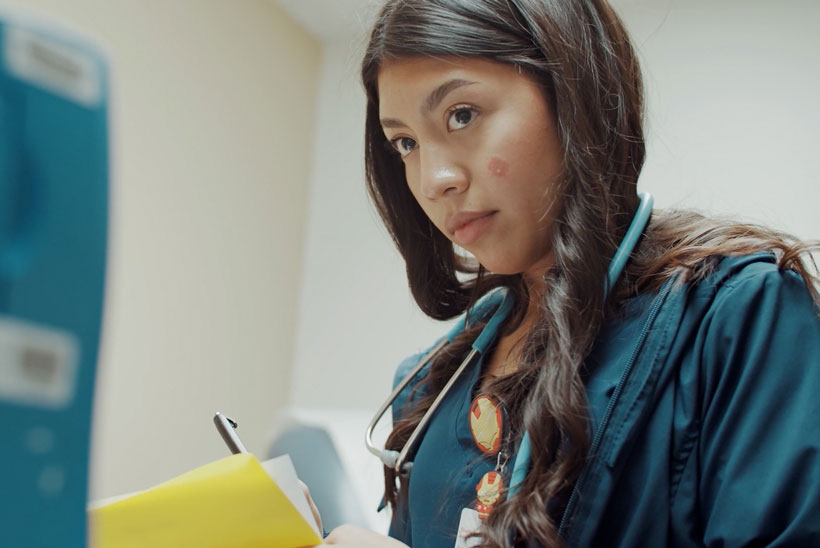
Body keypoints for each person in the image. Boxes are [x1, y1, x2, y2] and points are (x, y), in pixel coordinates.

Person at [308, 0, 820, 546]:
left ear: (574, 97)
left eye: (462, 115)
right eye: (405, 143)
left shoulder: (740, 319)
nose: (434, 179)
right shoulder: (428, 388)